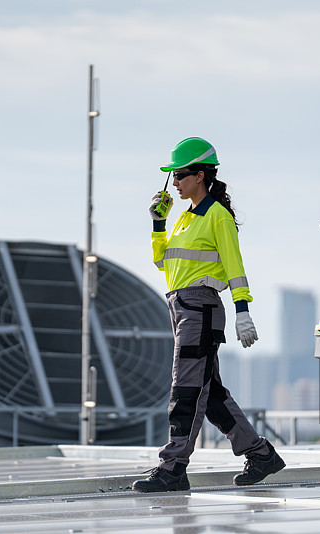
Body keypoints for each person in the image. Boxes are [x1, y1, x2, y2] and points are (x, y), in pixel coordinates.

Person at [131, 136, 285, 492]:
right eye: (173, 176)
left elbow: (235, 267)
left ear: (200, 175)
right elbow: (162, 263)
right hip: (181, 307)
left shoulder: (218, 216)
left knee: (185, 389)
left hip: (200, 307)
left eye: (180, 175)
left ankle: (173, 467)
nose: (174, 182)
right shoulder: (184, 217)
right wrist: (158, 224)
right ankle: (261, 454)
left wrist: (243, 310)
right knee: (210, 393)